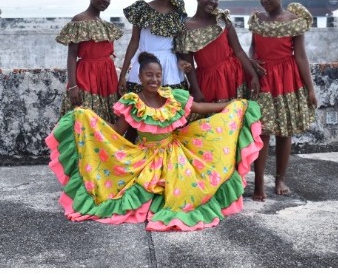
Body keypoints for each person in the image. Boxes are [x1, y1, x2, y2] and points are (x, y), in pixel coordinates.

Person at [45, 51, 263, 232]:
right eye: (149, 75)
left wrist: (232, 105)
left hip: (175, 152)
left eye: (158, 75)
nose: (154, 80)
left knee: (190, 186)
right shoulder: (132, 102)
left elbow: (199, 108)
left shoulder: (172, 97)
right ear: (139, 77)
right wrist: (89, 119)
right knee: (131, 189)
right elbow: (117, 131)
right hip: (145, 155)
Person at [247, 0, 318, 201]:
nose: (265, 0)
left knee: (284, 132)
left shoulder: (294, 22)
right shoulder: (257, 20)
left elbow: (300, 57)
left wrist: (310, 88)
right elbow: (253, 49)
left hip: (287, 79)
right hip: (265, 78)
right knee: (263, 132)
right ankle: (259, 184)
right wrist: (252, 65)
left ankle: (280, 178)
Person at [175, 0, 260, 119]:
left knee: (235, 123)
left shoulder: (222, 20)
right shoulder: (186, 28)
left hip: (234, 76)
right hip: (208, 83)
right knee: (213, 126)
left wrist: (252, 75)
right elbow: (189, 66)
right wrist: (195, 89)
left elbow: (239, 51)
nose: (212, 1)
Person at [55, 0, 123, 123]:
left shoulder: (105, 25)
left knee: (104, 125)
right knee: (85, 123)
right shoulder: (79, 20)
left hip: (106, 80)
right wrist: (72, 86)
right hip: (86, 78)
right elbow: (72, 55)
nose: (105, 0)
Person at [117, 0, 189, 96]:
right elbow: (134, 42)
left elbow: (179, 43)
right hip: (144, 65)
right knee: (142, 112)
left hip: (171, 70)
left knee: (169, 112)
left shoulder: (178, 10)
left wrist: (181, 61)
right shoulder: (142, 9)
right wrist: (123, 75)